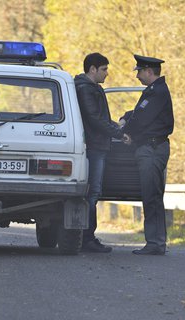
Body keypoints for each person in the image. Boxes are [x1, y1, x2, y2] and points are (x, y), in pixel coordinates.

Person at [74, 52, 130, 253]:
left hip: (96, 145)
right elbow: (94, 119)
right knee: (92, 192)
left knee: (92, 192)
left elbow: (99, 118)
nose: (107, 74)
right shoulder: (86, 90)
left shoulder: (90, 88)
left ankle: (85, 236)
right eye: (104, 69)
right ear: (93, 69)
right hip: (94, 147)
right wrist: (118, 132)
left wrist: (117, 128)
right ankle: (87, 238)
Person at [121, 54, 174, 255]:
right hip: (152, 147)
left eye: (140, 72)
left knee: (151, 196)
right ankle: (155, 242)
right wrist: (127, 118)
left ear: (149, 72)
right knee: (152, 195)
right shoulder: (154, 91)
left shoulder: (156, 92)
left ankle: (155, 243)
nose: (138, 76)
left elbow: (142, 119)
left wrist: (126, 131)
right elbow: (139, 114)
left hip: (152, 149)